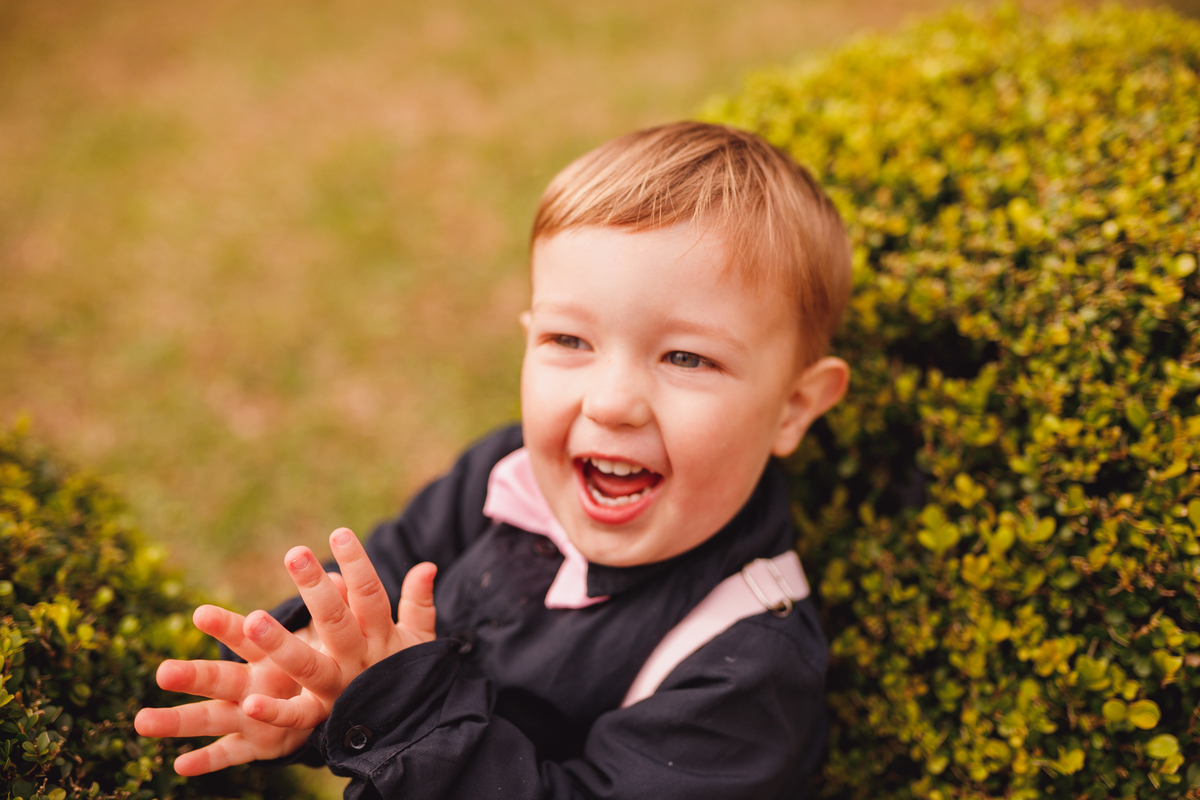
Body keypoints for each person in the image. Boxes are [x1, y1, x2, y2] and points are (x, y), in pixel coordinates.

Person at [135, 121, 853, 799]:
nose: (611, 403)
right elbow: (389, 580)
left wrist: (398, 712)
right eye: (570, 341)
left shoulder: (744, 668)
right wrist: (312, 672)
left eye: (686, 357)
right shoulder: (504, 469)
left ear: (793, 407)